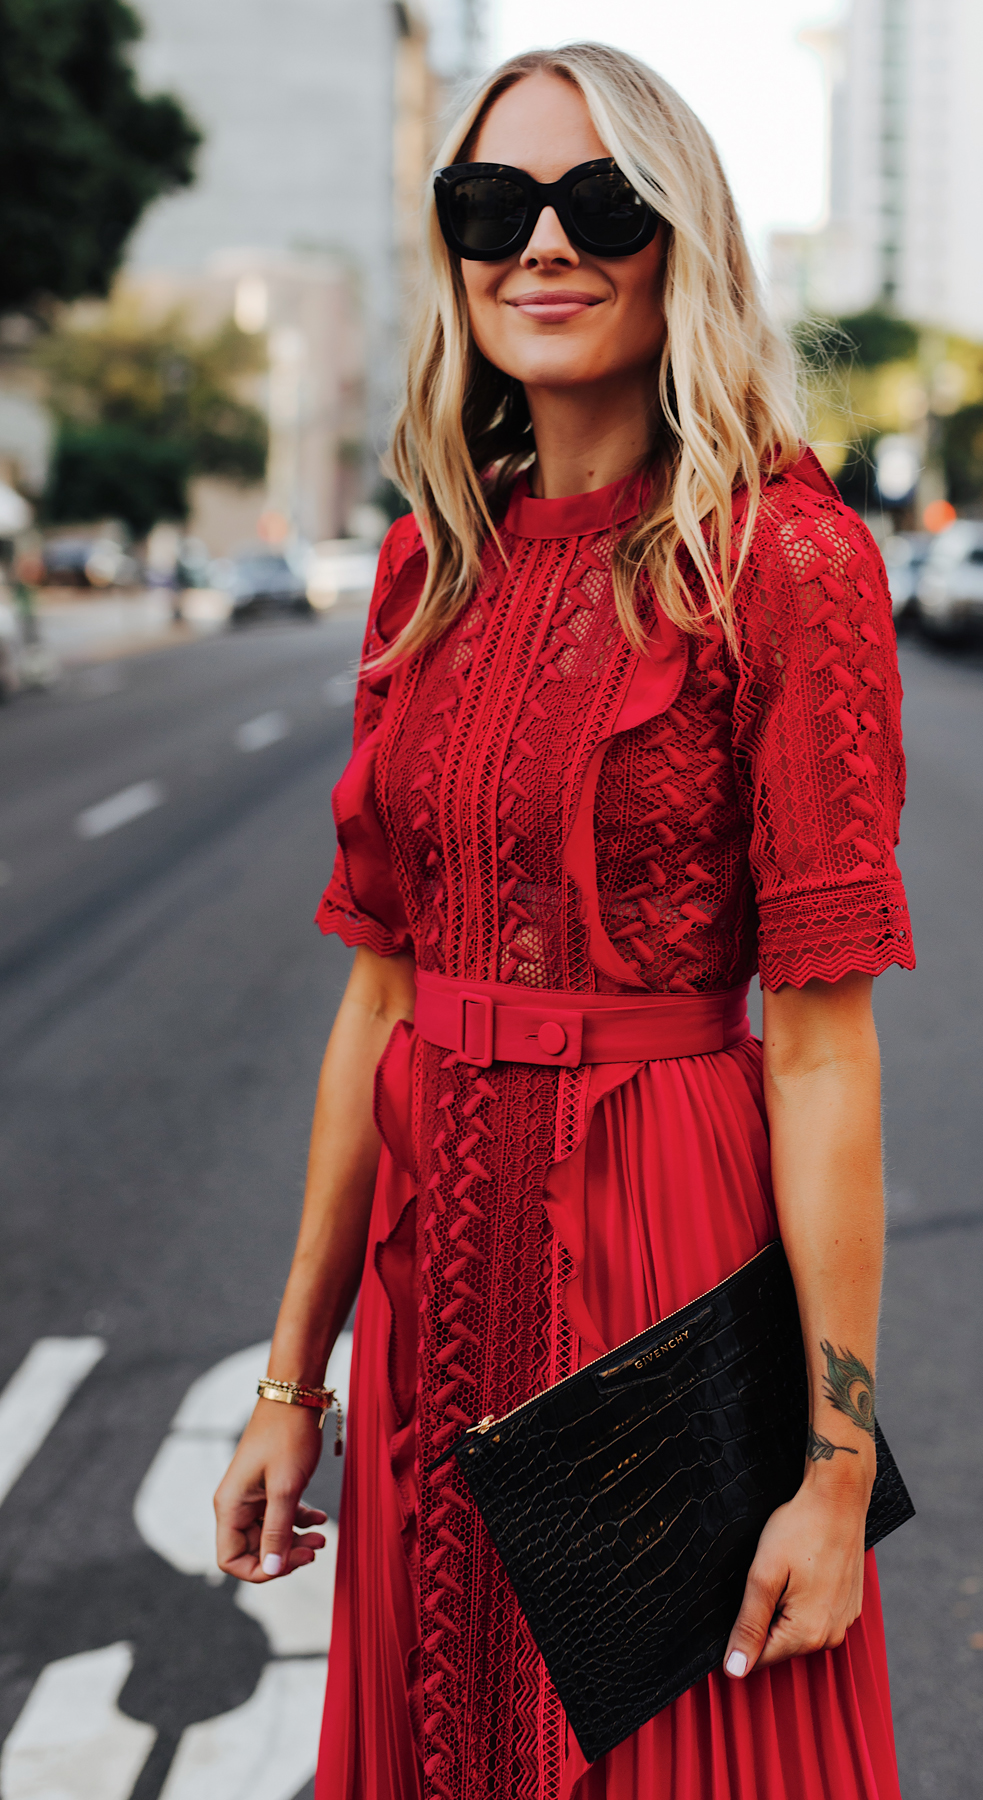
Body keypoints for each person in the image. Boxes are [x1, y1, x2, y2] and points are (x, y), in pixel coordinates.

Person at [215, 41, 914, 1800]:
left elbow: (825, 1052)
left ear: (685, 244)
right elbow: (376, 1003)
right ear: (449, 250)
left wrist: (831, 1475)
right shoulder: (428, 565)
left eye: (600, 204)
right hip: (435, 1235)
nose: (542, 244)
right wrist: (292, 1382)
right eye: (490, 205)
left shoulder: (784, 562)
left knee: (674, 1752)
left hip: (661, 1240)